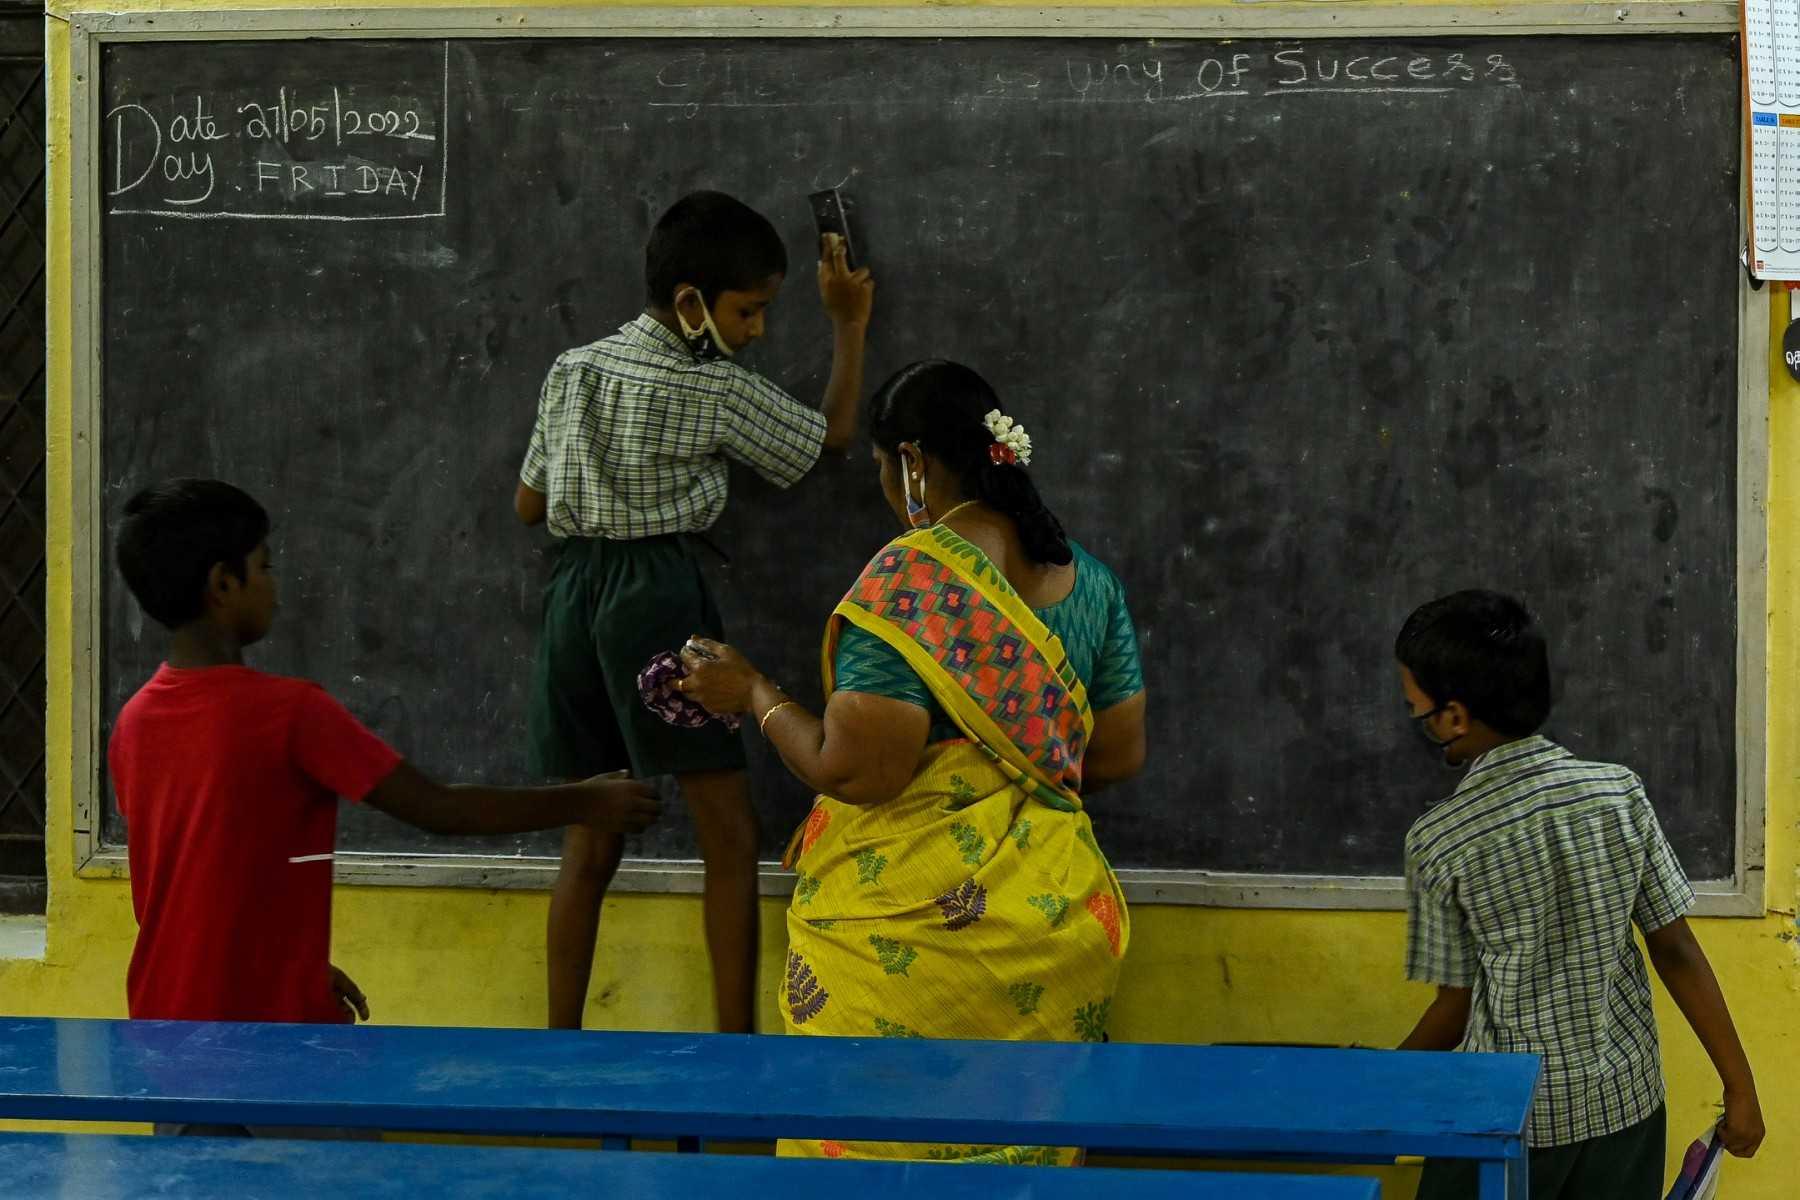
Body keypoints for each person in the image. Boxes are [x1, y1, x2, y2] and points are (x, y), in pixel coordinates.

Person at [678, 360, 1148, 1163]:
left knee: (877, 1161)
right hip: (1047, 927)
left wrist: (755, 693)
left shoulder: (911, 581)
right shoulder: (1090, 582)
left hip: (913, 939)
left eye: (884, 474)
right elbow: (1115, 754)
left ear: (915, 465)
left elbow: (857, 771)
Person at [109, 479, 659, 1040]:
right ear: (224, 584)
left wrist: (293, 968)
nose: (276, 587)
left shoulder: (134, 723)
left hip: (164, 1031)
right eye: (265, 567)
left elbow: (189, 887)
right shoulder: (290, 713)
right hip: (276, 1043)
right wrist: (587, 800)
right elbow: (437, 809)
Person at [514, 191, 874, 1034]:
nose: (755, 331)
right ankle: (734, 1052)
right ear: (691, 305)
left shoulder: (571, 368)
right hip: (657, 600)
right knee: (728, 829)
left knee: (591, 831)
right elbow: (833, 438)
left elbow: (528, 504)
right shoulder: (713, 387)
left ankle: (561, 1045)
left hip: (571, 600)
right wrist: (848, 325)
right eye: (749, 311)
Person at [1395, 590, 1764, 1199]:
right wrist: (1740, 1086)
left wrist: (1375, 1079)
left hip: (1508, 1123)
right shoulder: (1618, 795)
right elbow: (1676, 949)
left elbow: (1453, 1012)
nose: (1415, 722)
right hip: (1626, 1110)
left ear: (1455, 716)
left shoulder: (1441, 841)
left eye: (1417, 710)